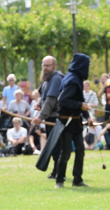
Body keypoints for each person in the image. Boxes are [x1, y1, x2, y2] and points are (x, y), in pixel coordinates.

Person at [54, 53, 93, 188]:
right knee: (65, 152)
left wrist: (87, 117)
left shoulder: (76, 79)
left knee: (80, 150)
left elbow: (80, 100)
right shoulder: (72, 80)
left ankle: (77, 179)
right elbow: (63, 100)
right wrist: (79, 106)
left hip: (76, 122)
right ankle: (59, 180)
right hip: (66, 122)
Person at [33, 56, 64, 180]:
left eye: (48, 65)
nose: (45, 68)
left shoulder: (56, 78)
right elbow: (43, 96)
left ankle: (58, 172)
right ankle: (56, 171)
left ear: (54, 66)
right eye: (43, 65)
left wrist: (40, 117)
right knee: (54, 146)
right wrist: (39, 104)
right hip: (50, 118)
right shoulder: (47, 79)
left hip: (56, 118)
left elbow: (51, 101)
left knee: (57, 146)